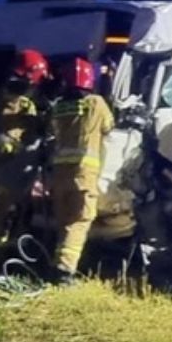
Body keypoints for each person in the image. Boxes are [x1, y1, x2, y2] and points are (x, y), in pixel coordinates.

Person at [45, 57, 115, 284]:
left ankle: (56, 264)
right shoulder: (95, 103)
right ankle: (64, 272)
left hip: (59, 174)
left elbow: (50, 132)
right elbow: (109, 126)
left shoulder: (58, 107)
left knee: (64, 221)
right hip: (83, 174)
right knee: (79, 220)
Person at [0, 48, 49, 274]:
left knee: (17, 211)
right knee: (3, 213)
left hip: (12, 164)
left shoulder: (12, 95)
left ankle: (10, 254)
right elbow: (21, 127)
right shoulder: (14, 97)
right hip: (7, 163)